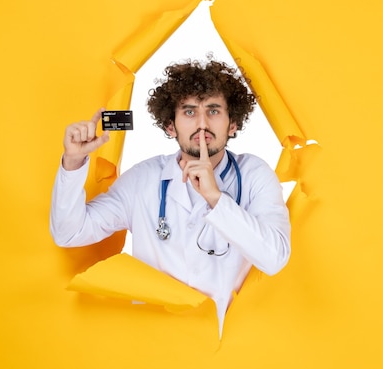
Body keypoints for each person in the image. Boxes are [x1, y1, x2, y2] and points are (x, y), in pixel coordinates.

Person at [50, 60, 291, 328]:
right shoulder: (142, 180)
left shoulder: (255, 174)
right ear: (170, 126)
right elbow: (69, 233)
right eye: (189, 112)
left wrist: (216, 198)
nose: (202, 124)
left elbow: (275, 258)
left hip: (226, 347)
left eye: (213, 110)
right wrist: (72, 163)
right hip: (156, 344)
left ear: (232, 123)